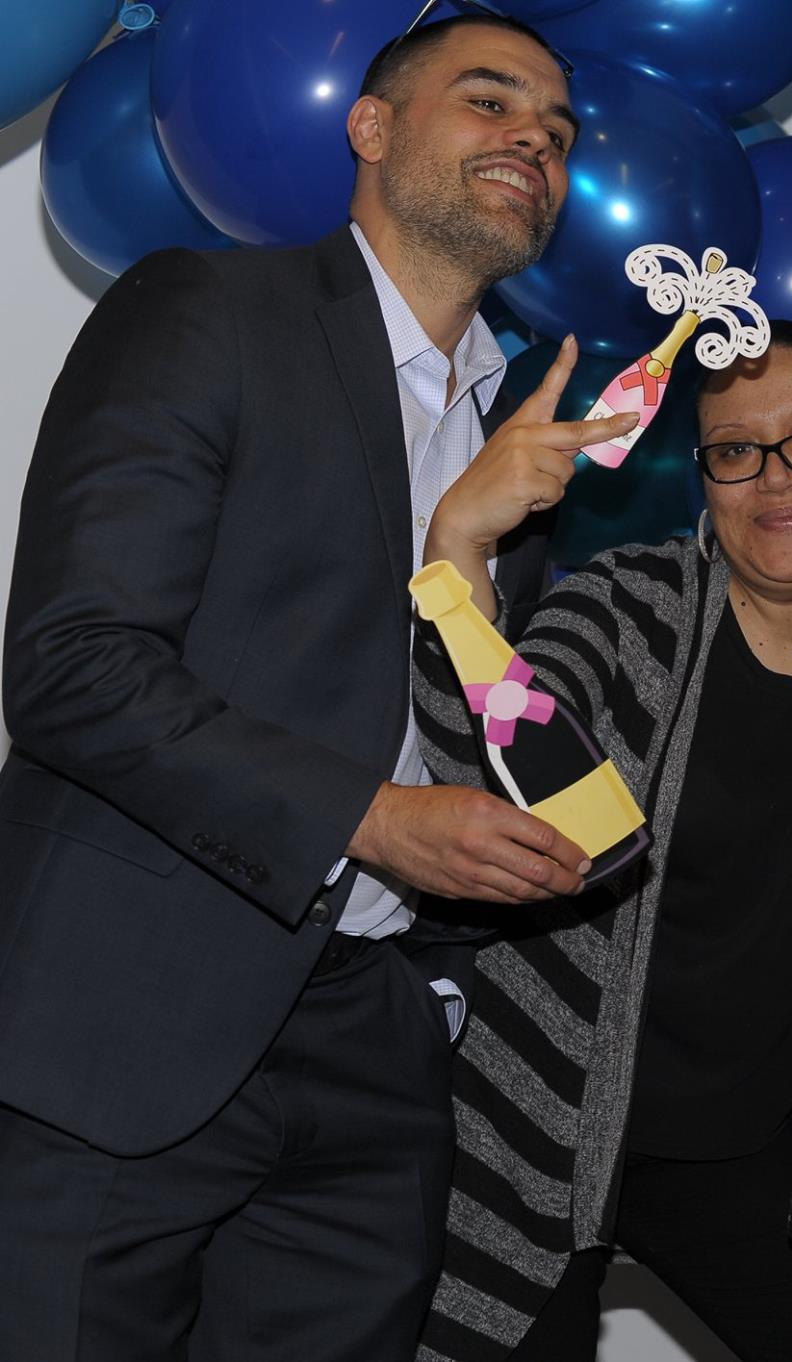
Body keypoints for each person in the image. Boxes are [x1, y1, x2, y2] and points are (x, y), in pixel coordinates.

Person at [0, 14, 616, 1361]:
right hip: (133, 1029)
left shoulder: (525, 445)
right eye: (492, 100)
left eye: (559, 129)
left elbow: (479, 731)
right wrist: (372, 817)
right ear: (372, 126)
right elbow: (71, 663)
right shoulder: (209, 312)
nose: (535, 137)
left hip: (379, 1057)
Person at [410, 320, 792, 1362]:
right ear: (705, 476)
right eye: (735, 450)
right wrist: (456, 554)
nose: (775, 479)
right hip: (537, 1126)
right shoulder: (628, 606)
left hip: (745, 1151)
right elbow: (486, 778)